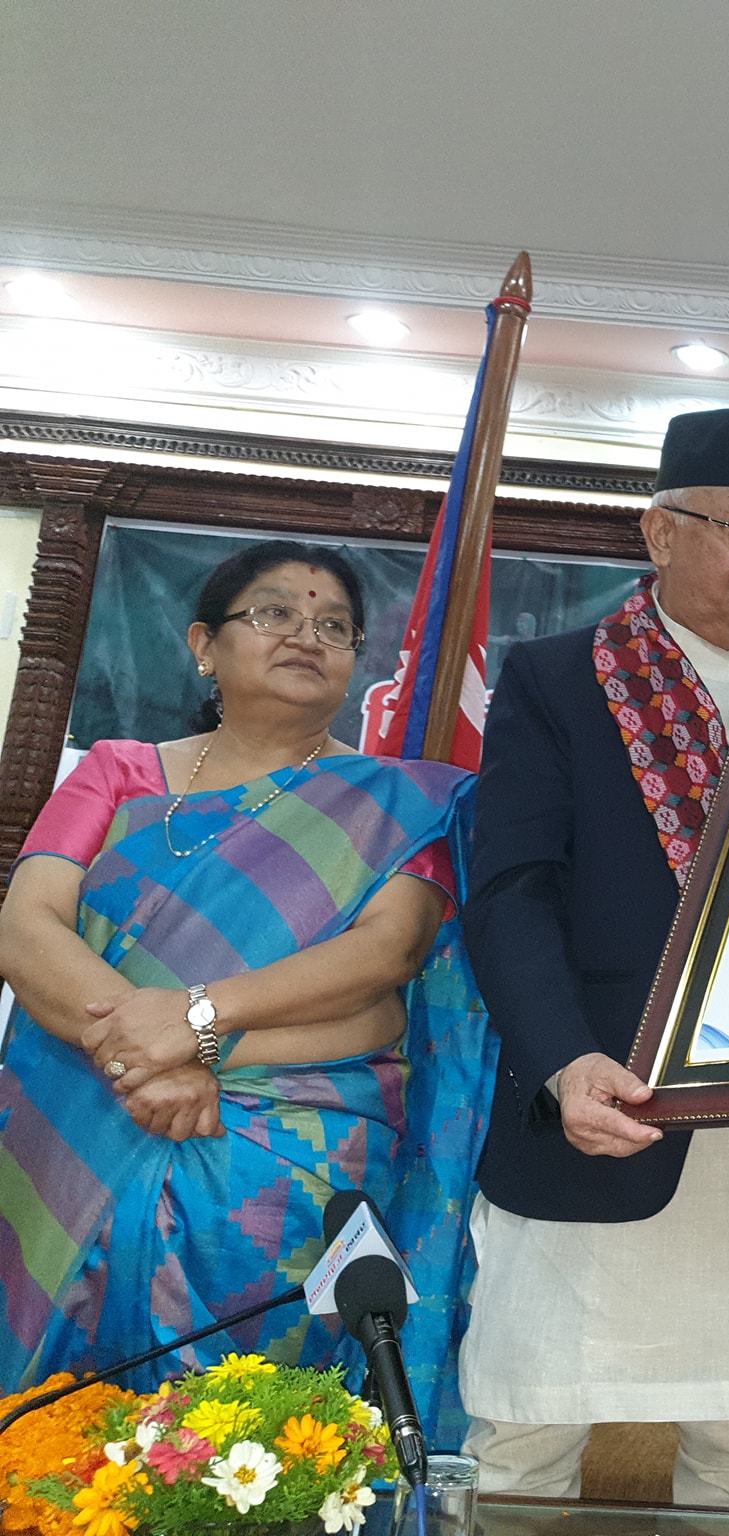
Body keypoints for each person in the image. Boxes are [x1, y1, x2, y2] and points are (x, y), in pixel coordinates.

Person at [0, 540, 489, 1446]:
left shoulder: (398, 805)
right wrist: (153, 1061)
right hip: (80, 1127)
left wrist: (197, 1026)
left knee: (244, 1450)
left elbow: (387, 960)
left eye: (335, 627)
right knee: (52, 1445)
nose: (307, 635)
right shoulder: (118, 771)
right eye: (274, 613)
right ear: (203, 645)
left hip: (282, 1164)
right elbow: (27, 930)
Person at [456, 407, 729, 1505]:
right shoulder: (558, 679)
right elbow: (512, 894)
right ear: (659, 531)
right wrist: (562, 1060)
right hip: (599, 1108)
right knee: (524, 1444)